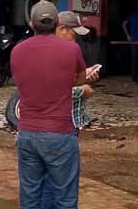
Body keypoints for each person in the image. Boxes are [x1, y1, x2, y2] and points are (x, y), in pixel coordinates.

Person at [10, 0, 98, 209]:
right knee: (65, 197)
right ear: (57, 22)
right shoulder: (71, 49)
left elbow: (21, 80)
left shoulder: (17, 51)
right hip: (59, 134)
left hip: (27, 134)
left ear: (32, 24)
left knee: (30, 194)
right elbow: (78, 81)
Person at [39, 11, 98, 208]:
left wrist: (84, 76)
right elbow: (51, 89)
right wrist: (83, 91)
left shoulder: (51, 49)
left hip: (57, 125)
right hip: (60, 127)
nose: (76, 39)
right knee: (61, 183)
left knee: (50, 179)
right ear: (62, 29)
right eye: (74, 33)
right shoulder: (57, 52)